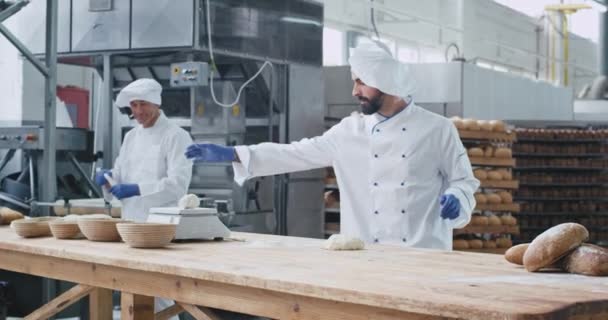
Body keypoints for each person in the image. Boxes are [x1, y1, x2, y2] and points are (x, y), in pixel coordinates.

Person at [185, 42, 479, 250]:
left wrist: (457, 197)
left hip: (423, 258)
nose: (354, 91)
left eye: (361, 82)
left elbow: (464, 181)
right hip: (366, 259)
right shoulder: (348, 132)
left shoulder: (437, 129)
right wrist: (234, 153)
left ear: (385, 80)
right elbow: (295, 153)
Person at [94, 78, 192, 317]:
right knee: (133, 293)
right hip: (131, 226)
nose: (137, 111)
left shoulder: (176, 136)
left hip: (161, 228)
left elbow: (178, 185)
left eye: (143, 105)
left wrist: (138, 189)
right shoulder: (131, 137)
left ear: (156, 103)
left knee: (162, 296)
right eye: (133, 105)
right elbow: (120, 173)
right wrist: (108, 178)